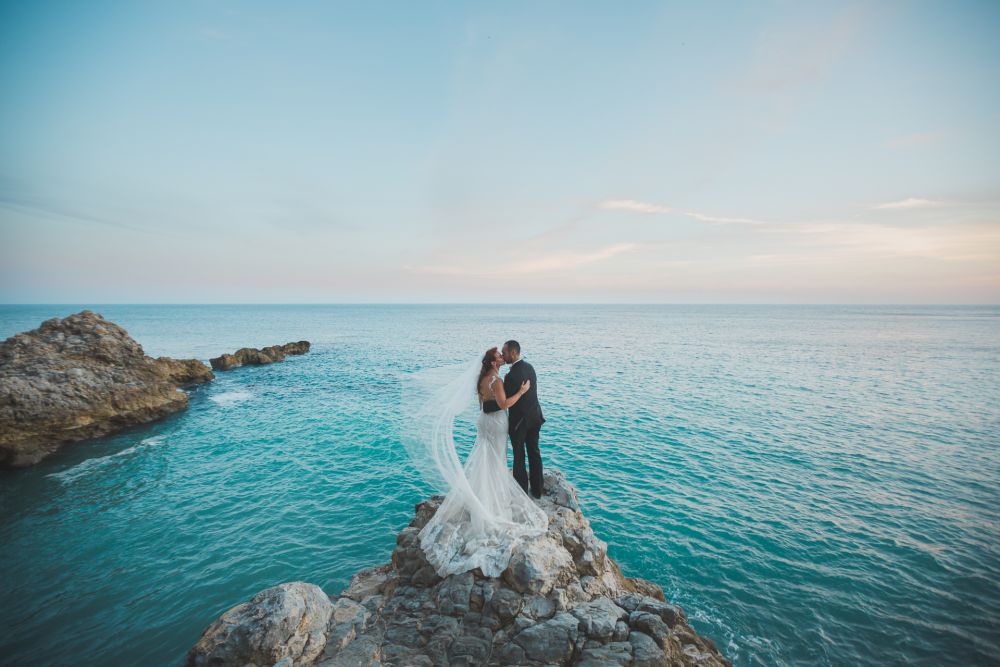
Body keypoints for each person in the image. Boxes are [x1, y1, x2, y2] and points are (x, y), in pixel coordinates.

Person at [403, 346, 548, 578]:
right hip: (498, 423)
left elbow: (484, 405)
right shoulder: (498, 381)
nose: (502, 357)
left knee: (484, 459)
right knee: (497, 462)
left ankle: (481, 496)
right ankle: (495, 502)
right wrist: (521, 392)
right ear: (493, 363)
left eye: (503, 353)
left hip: (484, 422)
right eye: (498, 356)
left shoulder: (481, 381)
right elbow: (503, 405)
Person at [502, 340, 545, 498]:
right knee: (534, 452)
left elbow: (505, 401)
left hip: (519, 423)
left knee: (519, 456)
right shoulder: (530, 367)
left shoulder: (511, 376)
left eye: (504, 352)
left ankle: (521, 493)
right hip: (535, 417)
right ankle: (538, 490)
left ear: (513, 353)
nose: (503, 355)